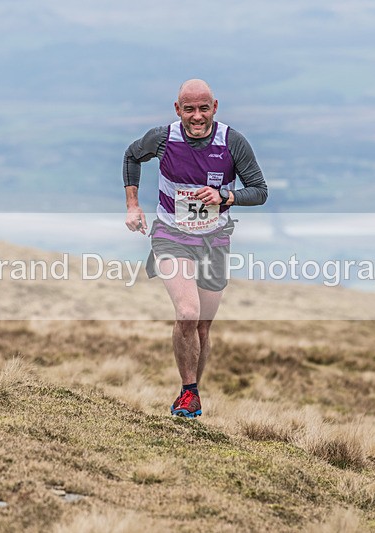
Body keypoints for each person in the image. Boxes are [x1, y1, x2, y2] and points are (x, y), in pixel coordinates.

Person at [122, 79, 268, 418]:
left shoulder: (233, 142)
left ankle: (191, 394)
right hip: (170, 236)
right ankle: (189, 391)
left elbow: (259, 191)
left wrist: (226, 196)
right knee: (187, 313)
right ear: (178, 110)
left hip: (214, 241)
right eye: (189, 109)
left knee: (202, 325)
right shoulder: (163, 138)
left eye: (203, 108)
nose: (197, 116)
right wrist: (133, 204)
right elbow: (132, 155)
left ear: (215, 107)